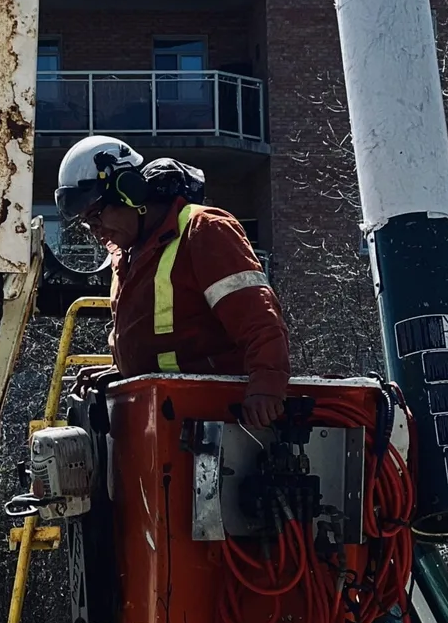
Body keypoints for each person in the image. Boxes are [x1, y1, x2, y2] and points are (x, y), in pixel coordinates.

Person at [54, 134, 291, 426]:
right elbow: (161, 338)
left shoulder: (205, 231)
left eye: (96, 214)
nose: (94, 229)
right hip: (163, 414)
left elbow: (259, 318)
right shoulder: (127, 254)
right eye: (86, 222)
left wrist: (266, 388)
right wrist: (121, 373)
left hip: (215, 415)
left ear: (130, 191)